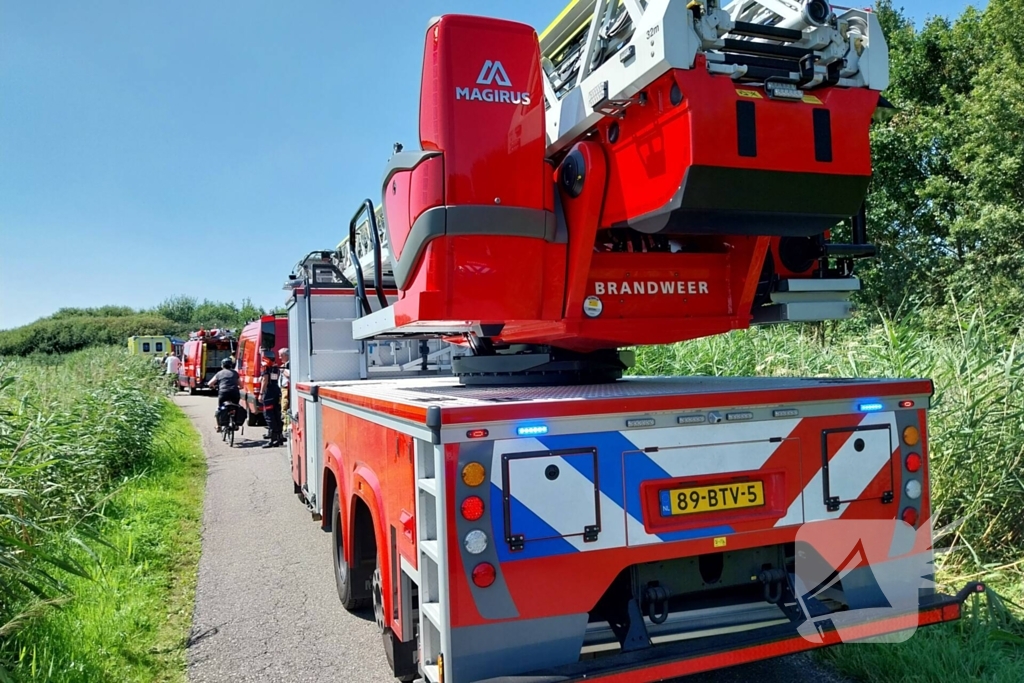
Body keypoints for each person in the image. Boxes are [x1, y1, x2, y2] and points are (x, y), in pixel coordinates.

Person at [208, 358, 241, 431]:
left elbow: (209, 383)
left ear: (222, 365)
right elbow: (241, 385)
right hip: (234, 393)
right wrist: (238, 387)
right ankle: (235, 424)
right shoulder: (235, 373)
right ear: (231, 365)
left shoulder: (219, 373)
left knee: (219, 408)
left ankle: (218, 426)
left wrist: (213, 387)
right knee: (236, 406)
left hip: (223, 393)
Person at [259, 349, 283, 448]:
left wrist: (261, 393)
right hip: (276, 391)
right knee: (276, 414)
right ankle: (279, 438)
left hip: (268, 393)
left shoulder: (265, 366)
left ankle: (273, 440)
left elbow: (265, 379)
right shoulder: (275, 366)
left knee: (269, 415)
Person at [278, 348, 290, 433]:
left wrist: (282, 370)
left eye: (280, 356)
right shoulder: (285, 364)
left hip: (286, 389)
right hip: (283, 389)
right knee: (283, 409)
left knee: (285, 409)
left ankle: (286, 428)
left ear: (285, 355)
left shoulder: (289, 364)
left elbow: (290, 375)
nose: (279, 358)